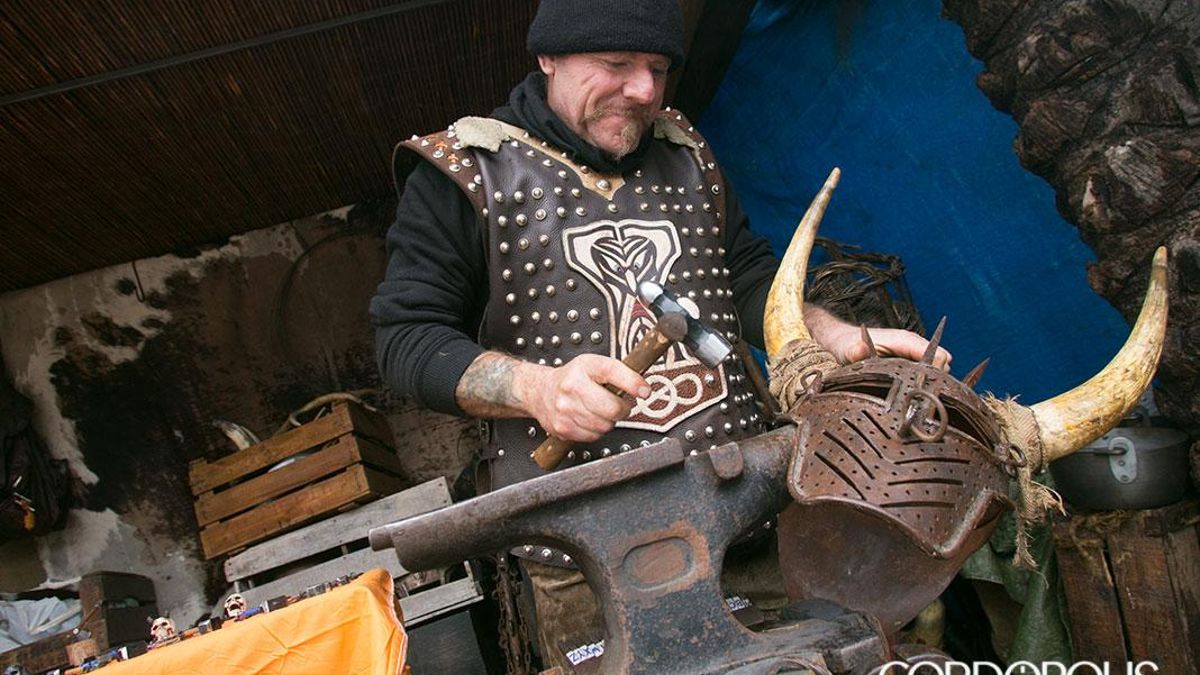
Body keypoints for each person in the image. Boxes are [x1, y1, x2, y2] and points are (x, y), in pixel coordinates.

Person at [370, 0, 949, 670]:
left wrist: (834, 339)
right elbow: (406, 339)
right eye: (617, 64)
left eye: (658, 67)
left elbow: (751, 277)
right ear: (549, 56)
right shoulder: (464, 172)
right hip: (589, 555)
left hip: (744, 515)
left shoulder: (686, 150)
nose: (644, 90)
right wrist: (536, 387)